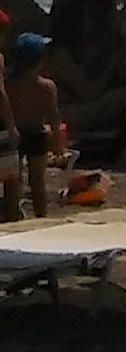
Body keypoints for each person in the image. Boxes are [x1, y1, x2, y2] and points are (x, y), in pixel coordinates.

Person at [46, 0, 126, 166]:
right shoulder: (59, 55)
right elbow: (89, 93)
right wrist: (113, 60)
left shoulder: (78, 48)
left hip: (74, 107)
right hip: (65, 113)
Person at [4, 34, 57, 219]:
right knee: (38, 180)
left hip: (15, 133)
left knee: (13, 181)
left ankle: (12, 214)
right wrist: (58, 143)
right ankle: (41, 215)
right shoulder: (47, 87)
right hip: (37, 133)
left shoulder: (8, 85)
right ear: (40, 61)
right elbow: (54, 117)